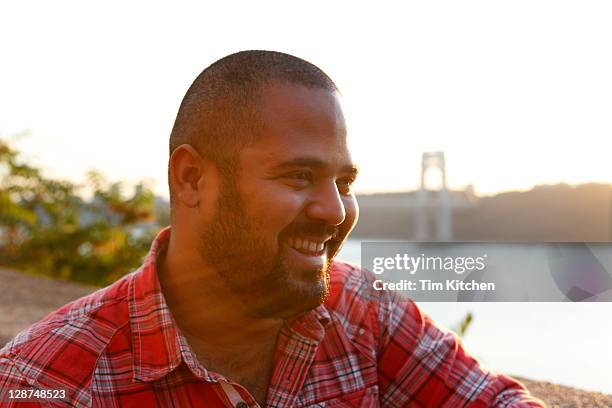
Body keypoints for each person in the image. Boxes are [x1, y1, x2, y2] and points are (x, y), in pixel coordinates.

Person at [0, 51, 544, 407]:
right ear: (191, 179)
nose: (335, 211)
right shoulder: (51, 384)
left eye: (345, 181)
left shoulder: (362, 313)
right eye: (299, 176)